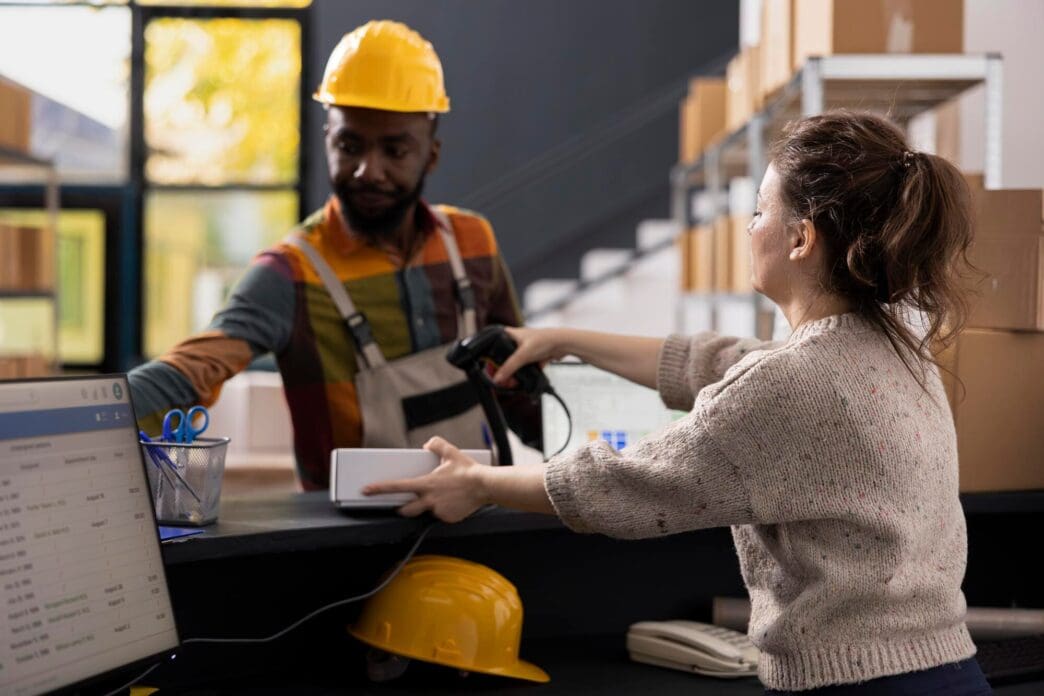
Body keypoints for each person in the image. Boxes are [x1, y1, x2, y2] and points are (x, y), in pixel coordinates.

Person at [363, 110, 993, 694]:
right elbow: (719, 360)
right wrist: (560, 338)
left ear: (800, 238)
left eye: (757, 212)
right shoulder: (896, 353)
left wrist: (476, 483)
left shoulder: (794, 385)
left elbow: (627, 483)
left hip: (863, 686)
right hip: (946, 671)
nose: (749, 229)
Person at [130, 20, 540, 490]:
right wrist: (91, 420)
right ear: (327, 139)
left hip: (477, 519)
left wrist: (589, 471)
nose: (369, 170)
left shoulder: (472, 242)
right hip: (353, 551)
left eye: (395, 149)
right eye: (350, 145)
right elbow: (191, 371)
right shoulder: (290, 274)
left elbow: (518, 386)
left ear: (431, 154)